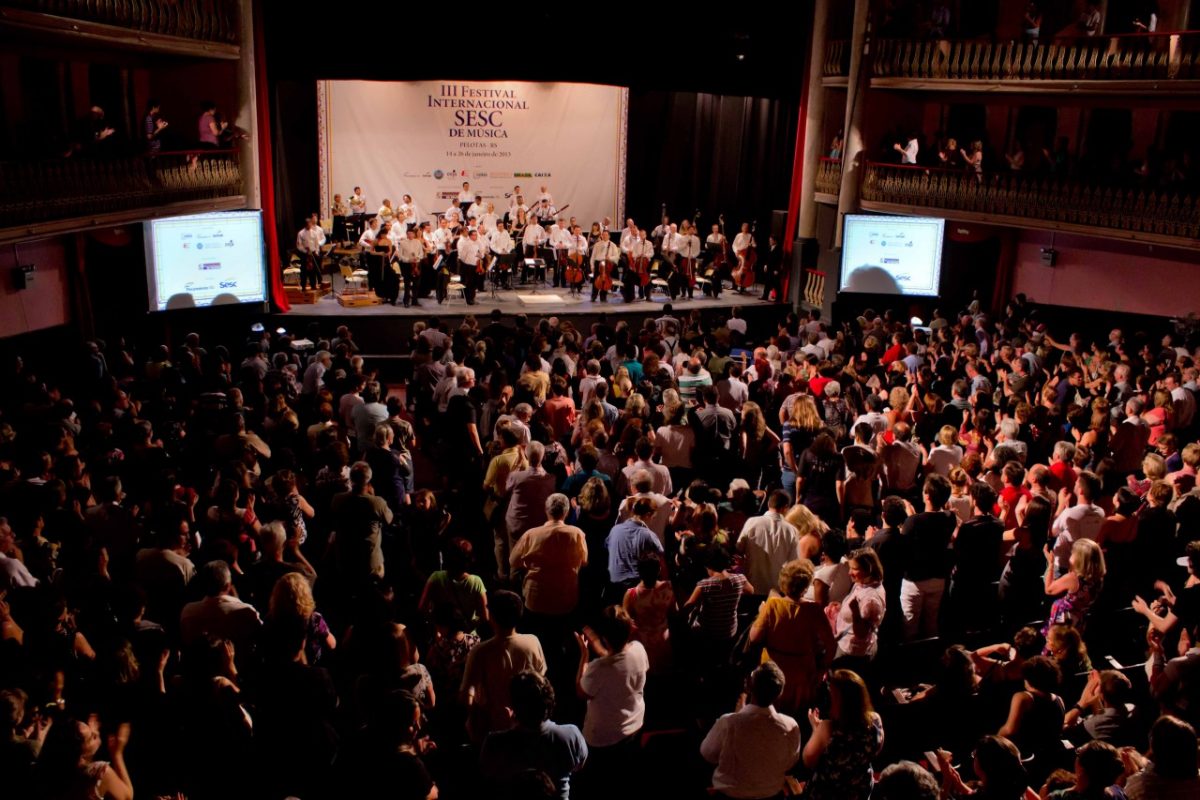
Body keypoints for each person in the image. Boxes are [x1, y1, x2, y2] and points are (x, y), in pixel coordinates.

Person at [700, 662, 802, 800]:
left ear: (749, 686)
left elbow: (707, 753)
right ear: (779, 693)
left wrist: (737, 716)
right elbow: (790, 761)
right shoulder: (791, 726)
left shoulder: (728, 723)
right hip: (771, 796)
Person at [480, 671, 588, 800]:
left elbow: (488, 775)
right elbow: (579, 765)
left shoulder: (494, 743)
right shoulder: (570, 735)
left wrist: (510, 730)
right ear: (549, 701)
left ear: (514, 706)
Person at [747, 559, 837, 714]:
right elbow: (831, 644)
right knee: (797, 716)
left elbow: (754, 637)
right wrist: (822, 668)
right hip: (802, 674)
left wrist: (761, 614)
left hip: (773, 672)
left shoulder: (772, 605)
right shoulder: (814, 610)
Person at [574, 606, 648, 791]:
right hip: (634, 726)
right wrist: (599, 646)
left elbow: (581, 692)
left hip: (604, 739)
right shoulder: (639, 649)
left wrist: (584, 655)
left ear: (605, 638)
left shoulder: (598, 668)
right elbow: (618, 661)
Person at [460, 590, 547, 742]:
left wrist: (472, 712)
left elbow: (465, 692)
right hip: (526, 724)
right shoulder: (533, 642)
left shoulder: (480, 651)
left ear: (492, 617)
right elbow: (541, 680)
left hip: (492, 729)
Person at [802, 669, 885, 800]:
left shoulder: (827, 728)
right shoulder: (875, 720)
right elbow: (875, 749)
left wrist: (816, 730)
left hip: (828, 792)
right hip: (859, 790)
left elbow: (809, 761)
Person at [330, 461, 393, 589]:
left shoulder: (337, 499)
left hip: (345, 561)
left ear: (351, 478)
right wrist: (373, 497)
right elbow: (389, 519)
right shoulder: (377, 503)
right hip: (371, 565)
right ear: (369, 481)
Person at [736, 490, 800, 595]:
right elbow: (794, 563)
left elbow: (739, 548)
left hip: (752, 585)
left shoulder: (752, 522)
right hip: (777, 589)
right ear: (786, 507)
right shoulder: (791, 530)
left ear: (768, 503)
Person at [296, 215, 326, 292]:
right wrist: (305, 251)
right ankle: (303, 286)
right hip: (305, 255)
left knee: (313, 271)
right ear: (305, 224)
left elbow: (316, 244)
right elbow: (299, 245)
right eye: (308, 224)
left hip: (313, 253)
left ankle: (313, 285)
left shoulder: (314, 233)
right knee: (304, 271)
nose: (309, 225)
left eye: (310, 224)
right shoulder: (301, 233)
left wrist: (316, 252)